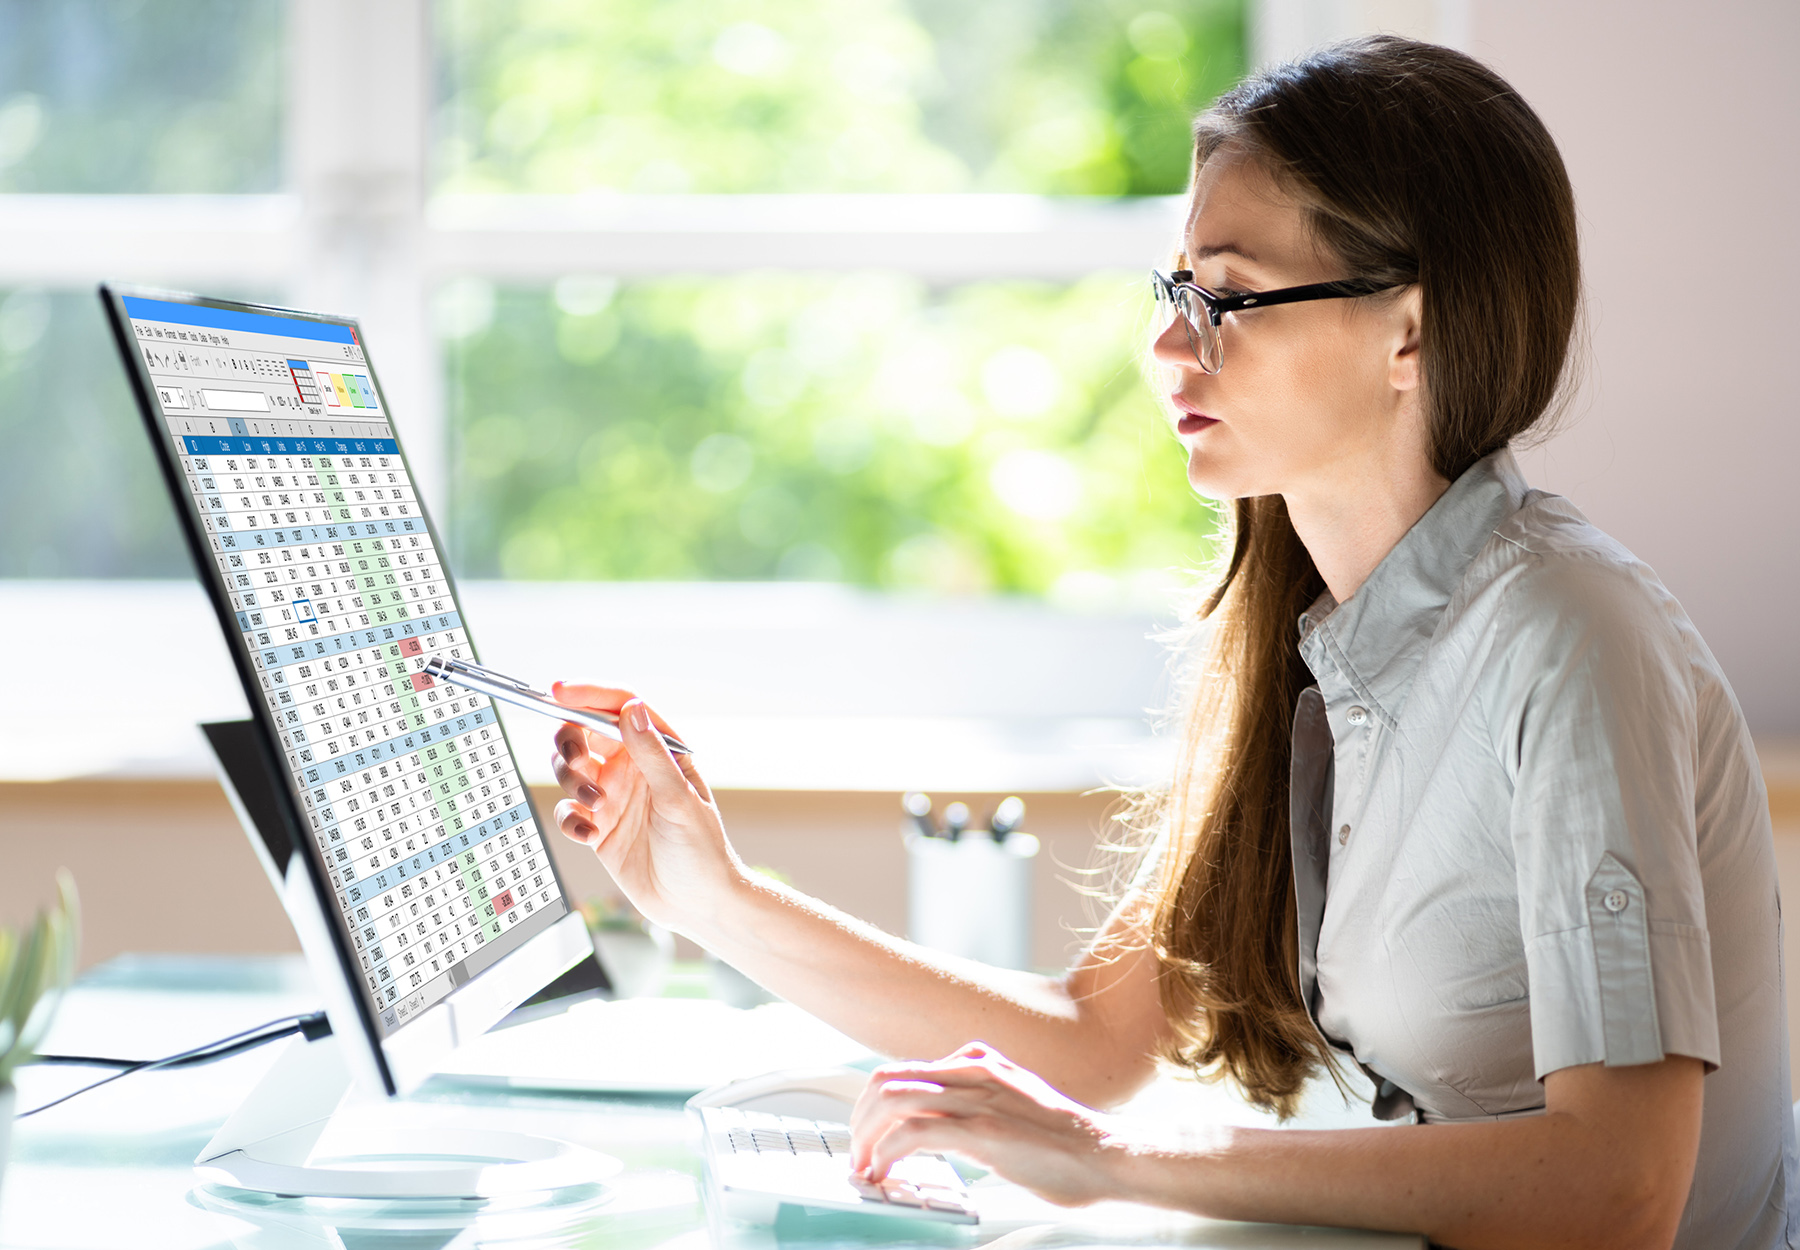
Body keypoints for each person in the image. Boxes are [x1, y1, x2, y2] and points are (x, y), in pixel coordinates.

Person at [546, 35, 1795, 1250]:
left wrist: (1104, 1166)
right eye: (1175, 288)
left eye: (1231, 299)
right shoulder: (1319, 646)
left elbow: (1618, 1193)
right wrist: (715, 896)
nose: (1166, 346)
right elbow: (1094, 1038)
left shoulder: (1569, 637)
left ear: (1411, 333)